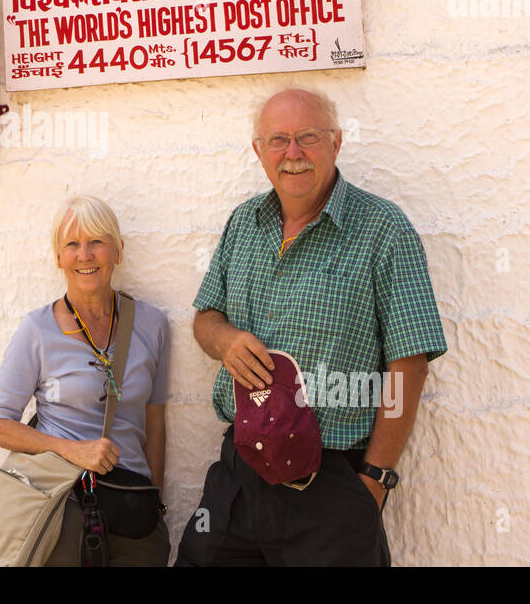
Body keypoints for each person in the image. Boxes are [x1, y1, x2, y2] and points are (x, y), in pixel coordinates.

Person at [175, 88, 447, 566]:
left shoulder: (383, 229)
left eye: (308, 137)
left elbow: (411, 363)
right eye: (278, 140)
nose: (293, 153)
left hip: (331, 486)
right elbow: (205, 318)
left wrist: (374, 482)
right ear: (259, 150)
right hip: (238, 477)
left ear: (337, 143)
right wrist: (224, 340)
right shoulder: (244, 223)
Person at [0, 196, 171, 566]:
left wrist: (157, 503)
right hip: (63, 508)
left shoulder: (153, 324)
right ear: (58, 257)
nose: (85, 255)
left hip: (134, 511)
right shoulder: (37, 330)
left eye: (97, 241)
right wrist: (72, 450)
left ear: (118, 250)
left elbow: (155, 423)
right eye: (72, 244)